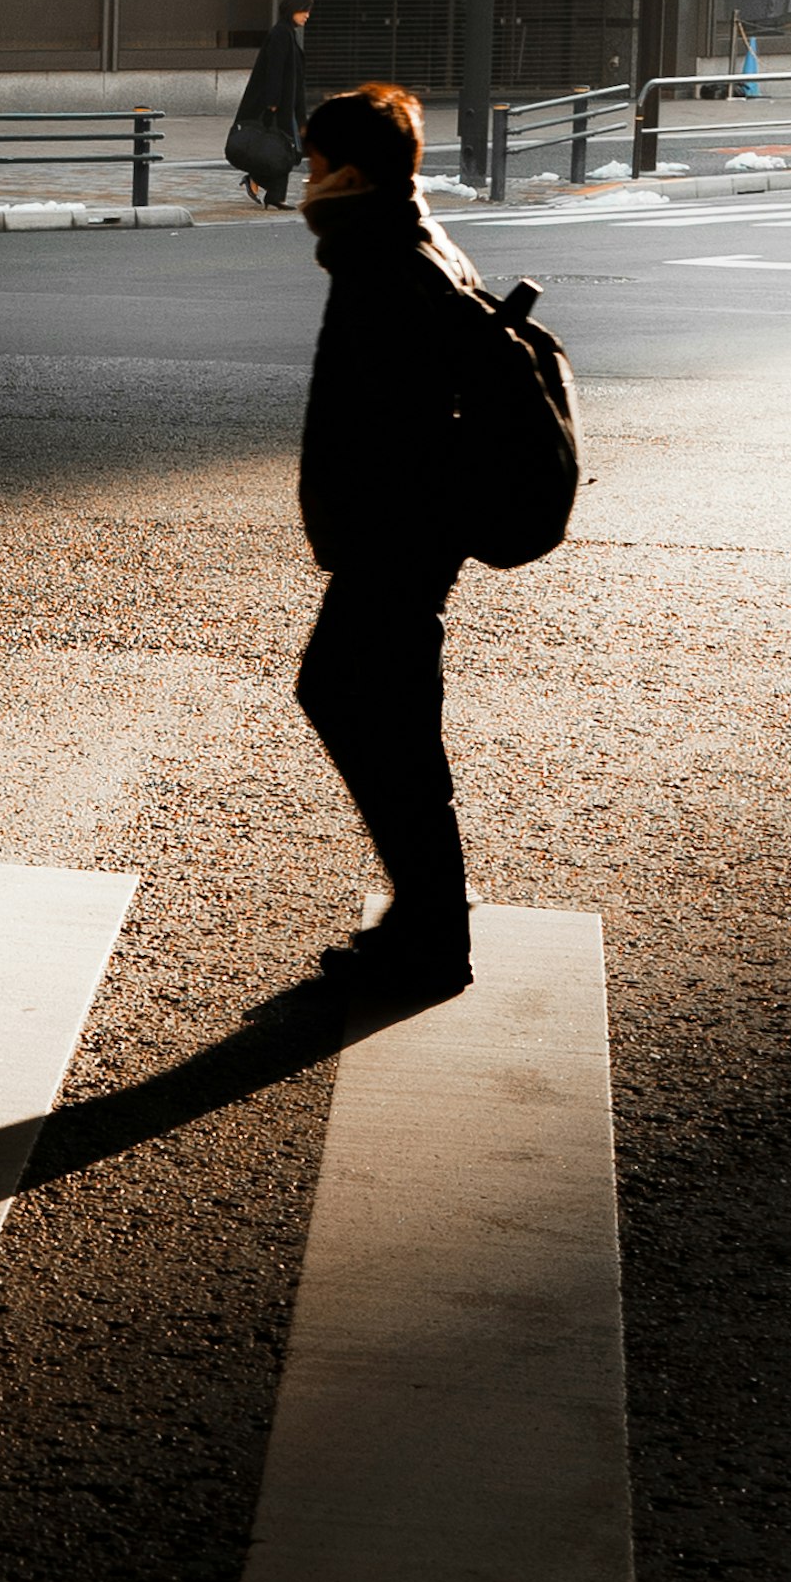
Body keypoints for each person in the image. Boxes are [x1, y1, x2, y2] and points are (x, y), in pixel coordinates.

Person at [287, 77, 475, 1004]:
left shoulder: (382, 261)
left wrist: (359, 527)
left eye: (315, 163)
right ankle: (428, 915)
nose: (304, 179)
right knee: (379, 710)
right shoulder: (402, 239)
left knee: (358, 702)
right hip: (404, 533)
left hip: (397, 537)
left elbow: (387, 419)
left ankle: (434, 927)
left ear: (348, 172)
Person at [225, 0, 312, 206]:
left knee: (287, 150)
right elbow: (274, 70)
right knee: (282, 150)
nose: (307, 15)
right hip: (277, 105)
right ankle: (264, 185)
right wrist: (272, 103)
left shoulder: (288, 33)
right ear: (292, 9)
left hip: (288, 105)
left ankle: (272, 193)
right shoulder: (280, 34)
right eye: (304, 10)